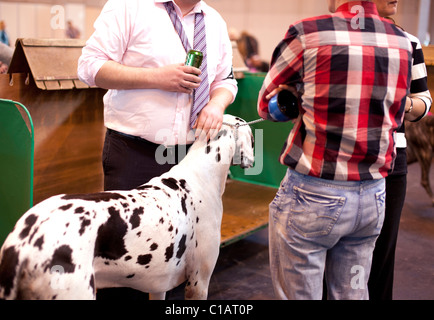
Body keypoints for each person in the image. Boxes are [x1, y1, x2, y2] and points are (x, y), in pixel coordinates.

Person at [78, 0, 237, 299]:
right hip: (133, 155)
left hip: (189, 161)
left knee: (179, 263)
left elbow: (225, 79)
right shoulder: (128, 6)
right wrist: (156, 77)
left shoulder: (214, 21)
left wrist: (217, 104)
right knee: (126, 266)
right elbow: (89, 66)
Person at [258, 0, 412, 300]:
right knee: (352, 292)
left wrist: (298, 95)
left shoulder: (308, 34)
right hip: (372, 195)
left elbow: (266, 106)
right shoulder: (402, 41)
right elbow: (399, 111)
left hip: (314, 195)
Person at [368, 0, 432, 300]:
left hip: (392, 159)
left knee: (382, 257)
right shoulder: (333, 36)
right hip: (339, 161)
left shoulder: (410, 42)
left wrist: (402, 102)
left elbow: (423, 101)